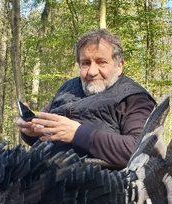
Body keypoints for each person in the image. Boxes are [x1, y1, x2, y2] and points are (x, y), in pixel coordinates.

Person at [16, 29, 155, 168]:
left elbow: (140, 150)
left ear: (119, 66)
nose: (92, 72)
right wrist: (31, 132)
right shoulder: (67, 88)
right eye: (86, 63)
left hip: (95, 181)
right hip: (39, 170)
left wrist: (77, 134)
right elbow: (43, 133)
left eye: (101, 62)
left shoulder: (134, 98)